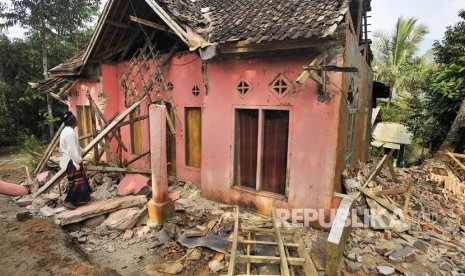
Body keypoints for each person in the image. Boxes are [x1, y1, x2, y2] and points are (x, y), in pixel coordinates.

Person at [60, 111, 91, 209]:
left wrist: (83, 151)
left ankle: (81, 199)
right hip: (71, 161)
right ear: (73, 122)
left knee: (80, 181)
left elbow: (75, 146)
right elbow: (72, 150)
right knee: (75, 183)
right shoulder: (70, 134)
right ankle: (68, 201)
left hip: (70, 159)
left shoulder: (67, 131)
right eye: (76, 119)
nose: (77, 120)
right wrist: (78, 160)